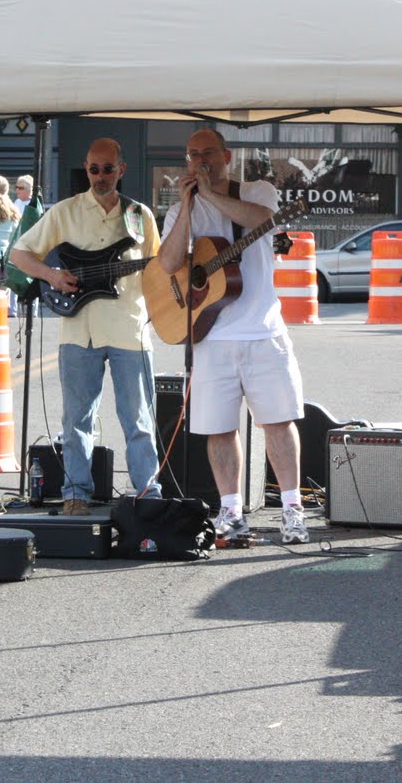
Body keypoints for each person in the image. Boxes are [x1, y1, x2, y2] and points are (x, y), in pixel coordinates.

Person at [158, 128, 310, 544]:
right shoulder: (181, 208)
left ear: (226, 156)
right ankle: (230, 512)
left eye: (207, 153)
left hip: (263, 331)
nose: (199, 161)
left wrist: (209, 194)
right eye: (192, 155)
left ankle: (293, 510)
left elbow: (261, 221)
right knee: (218, 428)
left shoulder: (257, 190)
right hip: (211, 335)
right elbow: (170, 262)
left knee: (277, 422)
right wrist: (189, 206)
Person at [9, 140, 162, 514]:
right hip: (79, 331)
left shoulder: (140, 215)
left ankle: (148, 495)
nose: (100, 177)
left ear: (121, 170)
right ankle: (76, 492)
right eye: (94, 169)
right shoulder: (65, 212)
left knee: (139, 419)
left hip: (130, 328)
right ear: (86, 168)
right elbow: (18, 253)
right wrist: (51, 275)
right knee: (75, 419)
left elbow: (157, 269)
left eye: (108, 169)